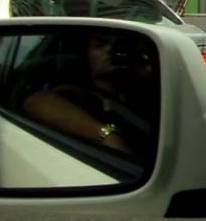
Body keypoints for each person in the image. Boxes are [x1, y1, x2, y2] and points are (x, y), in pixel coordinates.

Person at [17, 32, 159, 159]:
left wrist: (148, 71)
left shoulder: (154, 98)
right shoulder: (75, 94)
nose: (112, 51)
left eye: (124, 46)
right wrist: (106, 136)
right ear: (86, 53)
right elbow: (35, 103)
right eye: (101, 43)